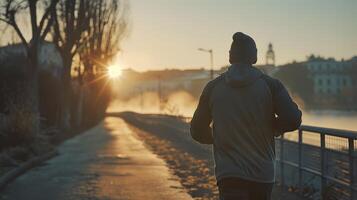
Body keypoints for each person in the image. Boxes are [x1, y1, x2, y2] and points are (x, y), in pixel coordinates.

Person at [190, 32, 302, 200]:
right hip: (262, 173)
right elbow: (293, 118)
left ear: (230, 57)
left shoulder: (213, 88)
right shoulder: (271, 85)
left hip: (228, 174)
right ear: (255, 57)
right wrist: (274, 128)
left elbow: (197, 130)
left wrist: (219, 137)